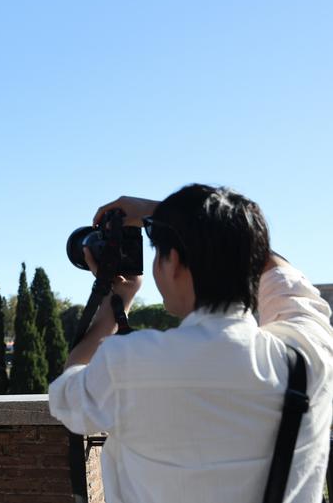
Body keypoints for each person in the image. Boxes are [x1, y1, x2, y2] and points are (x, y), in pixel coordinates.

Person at [49, 185, 333, 503]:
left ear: (173, 263)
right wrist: (195, 224)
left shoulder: (129, 364)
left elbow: (66, 396)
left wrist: (112, 312)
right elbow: (285, 278)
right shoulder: (311, 352)